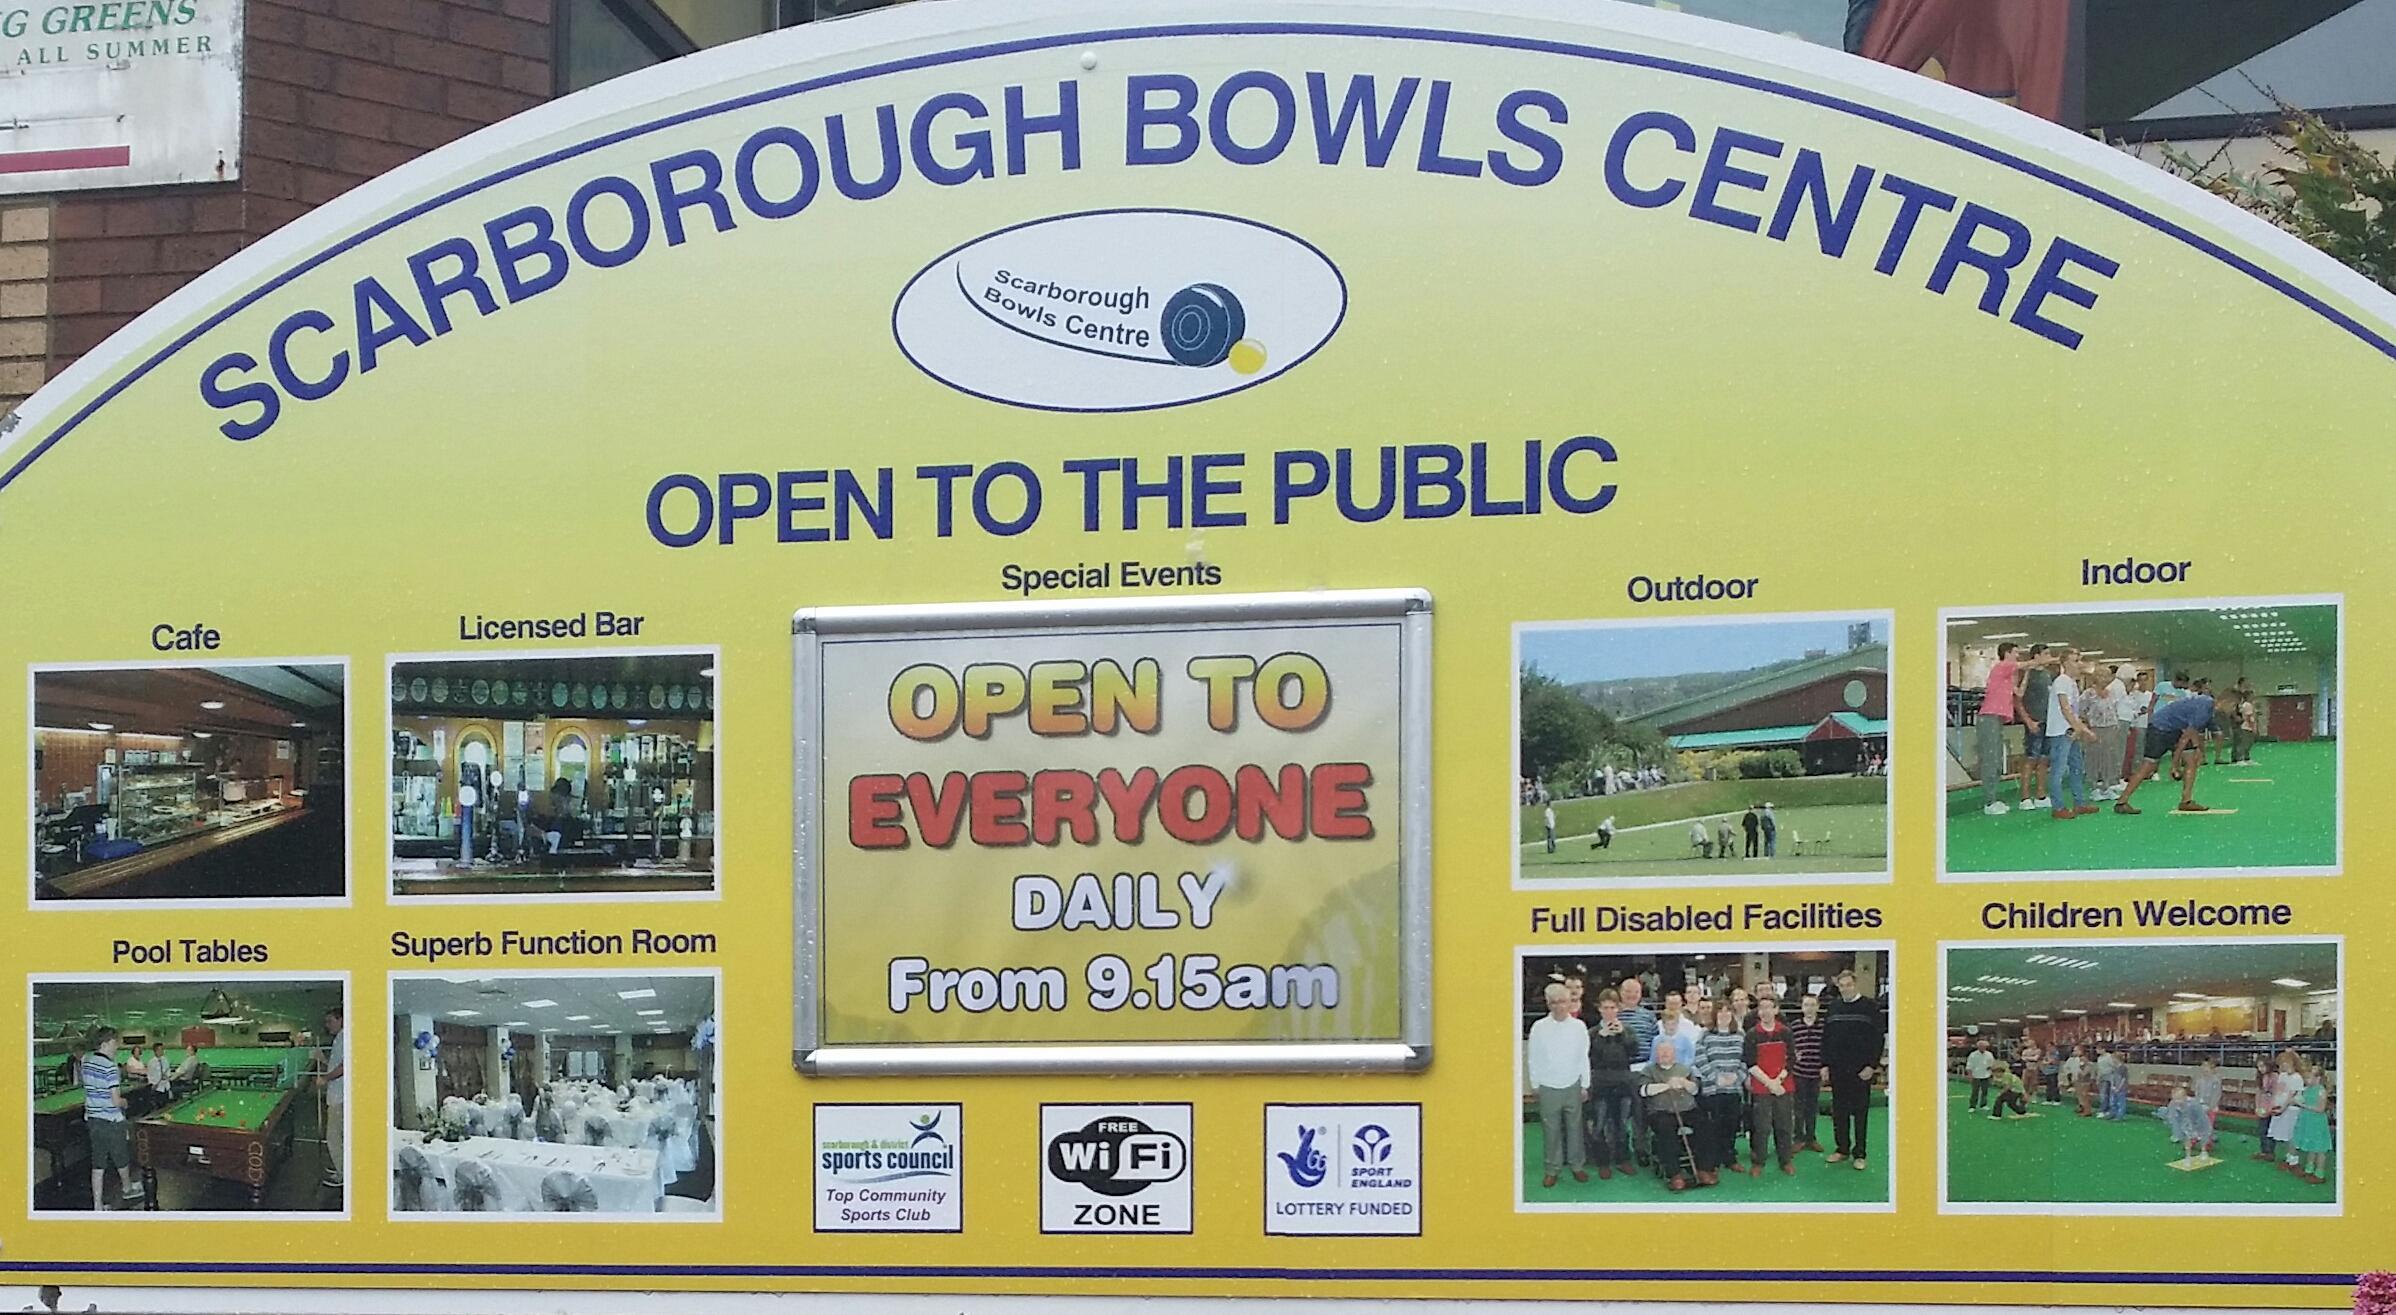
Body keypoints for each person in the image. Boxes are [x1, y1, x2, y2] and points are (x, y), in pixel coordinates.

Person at [2118, 676, 2215, 814]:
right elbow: (2184, 739)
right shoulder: (2205, 708)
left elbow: (2190, 731)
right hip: (2159, 728)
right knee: (2148, 766)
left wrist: (2196, 748)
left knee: (2191, 761)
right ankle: (2122, 801)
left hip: (2174, 727)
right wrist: (2174, 765)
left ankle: (2186, 800)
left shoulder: (2205, 703)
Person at [1526, 983, 1590, 1188]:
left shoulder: (1579, 1027)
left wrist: (1585, 1084)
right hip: (1547, 1085)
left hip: (1573, 1083)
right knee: (1550, 1130)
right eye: (1553, 1002)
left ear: (1569, 1002)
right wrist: (1535, 1084)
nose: (1558, 1006)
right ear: (1548, 1004)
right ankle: (1552, 1169)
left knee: (1575, 1129)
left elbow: (1583, 1057)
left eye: (1562, 1001)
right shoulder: (1539, 1027)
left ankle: (1577, 1166)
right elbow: (1533, 1058)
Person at [1822, 968, 1883, 1171]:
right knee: (1839, 1112)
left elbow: (1877, 1038)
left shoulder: (1870, 1007)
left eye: (1849, 985)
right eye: (1842, 985)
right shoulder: (1833, 1007)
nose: (1845, 988)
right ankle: (1842, 1149)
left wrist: (1871, 1066)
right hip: (1838, 1070)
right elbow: (1827, 1038)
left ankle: (1860, 1154)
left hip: (1861, 1070)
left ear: (1855, 984)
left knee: (1860, 1113)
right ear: (1838, 987)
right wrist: (1825, 1064)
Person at [1638, 1036, 1711, 1191]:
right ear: (1656, 1054)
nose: (1664, 1054)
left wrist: (1684, 1082)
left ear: (1674, 1054)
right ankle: (1674, 1173)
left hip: (1687, 1109)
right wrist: (1666, 1085)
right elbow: (1644, 1091)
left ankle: (1704, 1168)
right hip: (1661, 1111)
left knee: (1704, 1125)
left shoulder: (1684, 1069)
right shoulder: (1649, 1070)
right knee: (1666, 1129)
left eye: (1668, 1051)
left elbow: (1695, 1089)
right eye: (1661, 1052)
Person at [1585, 992, 1641, 1180]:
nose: (1609, 1012)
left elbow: (1635, 1052)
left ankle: (1623, 1160)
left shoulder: (1627, 1030)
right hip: (1601, 1084)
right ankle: (1603, 1162)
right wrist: (1602, 1036)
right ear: (1599, 1009)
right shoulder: (1592, 1033)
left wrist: (1623, 1034)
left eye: (1612, 1007)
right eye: (1605, 1007)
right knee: (1600, 1124)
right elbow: (1589, 1058)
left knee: (1621, 1125)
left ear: (1618, 1009)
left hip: (1623, 1084)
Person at [82, 1028, 138, 1209]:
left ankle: (97, 1205)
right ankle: (128, 1189)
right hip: (111, 1121)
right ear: (105, 1044)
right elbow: (115, 1100)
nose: (117, 1047)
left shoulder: (87, 1061)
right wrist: (125, 1102)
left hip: (93, 1120)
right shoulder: (110, 1066)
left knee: (98, 1163)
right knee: (121, 1157)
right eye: (115, 1043)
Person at [1744, 994, 1797, 1175]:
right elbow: (1750, 1063)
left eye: (1769, 1007)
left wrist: (1778, 1081)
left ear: (1776, 1010)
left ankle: (1785, 1161)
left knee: (1784, 1125)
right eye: (1762, 1008)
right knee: (1762, 1126)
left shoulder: (1785, 1032)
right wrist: (1769, 1083)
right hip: (1761, 1088)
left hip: (1784, 1087)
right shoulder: (1752, 1034)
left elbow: (1791, 1059)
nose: (1765, 1011)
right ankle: (1759, 1162)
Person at [2045, 649, 2099, 820]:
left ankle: (2079, 803)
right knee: (2058, 770)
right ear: (2065, 663)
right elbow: (2065, 708)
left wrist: (2080, 729)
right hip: (2061, 732)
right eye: (2075, 660)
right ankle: (2058, 807)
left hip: (2071, 731)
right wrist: (2082, 729)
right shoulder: (2061, 682)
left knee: (2077, 768)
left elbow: (2073, 712)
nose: (2079, 664)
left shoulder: (2072, 683)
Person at [1694, 1000, 1746, 1176]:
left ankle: (1730, 1158)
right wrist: (1716, 1078)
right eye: (1720, 1012)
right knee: (1714, 1126)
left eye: (1727, 1011)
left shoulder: (1740, 1035)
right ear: (1715, 1014)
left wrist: (1737, 1077)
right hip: (1712, 1089)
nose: (1724, 1015)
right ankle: (1713, 1161)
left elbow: (1746, 1060)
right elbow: (1700, 1059)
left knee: (1731, 1125)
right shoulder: (1705, 1035)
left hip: (1734, 1089)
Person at [1614, 976, 1660, 1166]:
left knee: (1641, 1114)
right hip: (1620, 1071)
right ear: (1620, 993)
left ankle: (1641, 1149)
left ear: (1640, 994)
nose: (1632, 995)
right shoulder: (1614, 1016)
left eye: (1636, 992)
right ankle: (1620, 1152)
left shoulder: (1648, 1016)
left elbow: (1656, 1043)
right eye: (1628, 991)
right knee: (1620, 1114)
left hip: (1643, 1070)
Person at [1975, 641, 2022, 814]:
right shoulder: (2001, 667)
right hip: (1989, 718)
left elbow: (2020, 693)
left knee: (1996, 760)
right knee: (1990, 759)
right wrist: (2051, 659)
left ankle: (1993, 798)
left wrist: (2029, 673)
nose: (2018, 655)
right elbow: (2026, 663)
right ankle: (1989, 802)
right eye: (2015, 652)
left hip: (1997, 720)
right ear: (2007, 653)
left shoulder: (2008, 676)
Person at [2017, 645, 2054, 810]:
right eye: (2046, 654)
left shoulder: (2048, 675)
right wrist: (2028, 721)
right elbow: (2017, 700)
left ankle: (2040, 794)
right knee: (2031, 758)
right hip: (2034, 721)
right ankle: (2024, 798)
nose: (2049, 656)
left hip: (2048, 722)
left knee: (2044, 759)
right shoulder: (2027, 674)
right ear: (2036, 656)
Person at [1789, 991, 1827, 1152]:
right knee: (1798, 1107)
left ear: (1818, 1007)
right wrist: (1793, 1055)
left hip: (1815, 1073)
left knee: (1812, 1107)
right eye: (1806, 1005)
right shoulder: (1795, 1026)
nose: (1809, 1008)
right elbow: (1789, 1047)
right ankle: (1798, 1138)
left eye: (1812, 1005)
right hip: (1799, 1073)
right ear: (1802, 1008)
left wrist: (1825, 1067)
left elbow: (1827, 1048)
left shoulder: (1824, 1026)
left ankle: (1811, 1138)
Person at [317, 1006, 347, 1191]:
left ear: (341, 1019)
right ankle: (341, 1168)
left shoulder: (345, 1037)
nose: (327, 1025)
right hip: (337, 1095)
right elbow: (336, 1065)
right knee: (339, 1136)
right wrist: (322, 1059)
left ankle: (343, 1174)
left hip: (340, 1097)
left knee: (333, 1137)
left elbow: (346, 1066)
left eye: (330, 1021)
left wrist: (324, 1078)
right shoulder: (340, 1038)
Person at [2086, 663, 2127, 799]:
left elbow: (2113, 710)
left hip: (2110, 728)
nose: (2106, 679)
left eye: (2108, 676)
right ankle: (2094, 788)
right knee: (2095, 758)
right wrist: (2086, 728)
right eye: (2103, 676)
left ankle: (2107, 786)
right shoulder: (2089, 693)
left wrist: (2116, 725)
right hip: (2095, 729)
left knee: (2109, 758)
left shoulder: (2111, 693)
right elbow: (2081, 710)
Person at [2290, 1059, 2332, 1185]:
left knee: (2320, 1148)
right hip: (2307, 1120)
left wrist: (2302, 1105)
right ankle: (2309, 1169)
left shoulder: (2321, 1091)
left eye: (2309, 1077)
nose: (2306, 1080)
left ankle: (2319, 1173)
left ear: (2317, 1078)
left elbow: (2320, 1109)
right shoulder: (2307, 1089)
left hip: (2317, 1121)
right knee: (2311, 1146)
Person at [2156, 1083, 2212, 1158]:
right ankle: (2188, 1155)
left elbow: (2200, 1117)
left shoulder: (2193, 1104)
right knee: (2187, 1138)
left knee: (2202, 1137)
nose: (2177, 1101)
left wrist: (2197, 1127)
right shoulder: (2173, 1103)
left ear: (2185, 1097)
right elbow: (2172, 1115)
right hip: (2185, 1123)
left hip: (2198, 1122)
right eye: (2175, 1099)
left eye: (2179, 1099)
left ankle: (2203, 1150)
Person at [2193, 1056, 2224, 1151]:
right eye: (2203, 1066)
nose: (2205, 1069)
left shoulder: (2216, 1080)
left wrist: (2211, 1106)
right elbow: (2197, 1092)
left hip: (2211, 1107)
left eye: (2207, 1067)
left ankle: (2207, 1142)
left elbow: (2217, 1094)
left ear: (2212, 1068)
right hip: (2200, 1106)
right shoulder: (2199, 1080)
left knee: (2208, 1125)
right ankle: (2193, 1140)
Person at [1965, 1038, 1996, 1110]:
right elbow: (1969, 1066)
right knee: (1975, 1091)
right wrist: (1970, 1076)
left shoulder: (1989, 1054)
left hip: (1986, 1075)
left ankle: (1983, 1105)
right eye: (1981, 1046)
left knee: (1985, 1091)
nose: (1983, 1048)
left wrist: (1992, 1072)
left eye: (1984, 1046)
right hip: (1976, 1075)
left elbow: (1992, 1064)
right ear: (1978, 1047)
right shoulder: (1973, 1055)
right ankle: (1972, 1106)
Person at [2061, 1045, 2090, 1116]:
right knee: (2079, 1095)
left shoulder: (2083, 1059)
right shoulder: (2074, 1059)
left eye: (2076, 1050)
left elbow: (2086, 1070)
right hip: (2076, 1079)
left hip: (2083, 1080)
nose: (2074, 1052)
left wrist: (2081, 1075)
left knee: (2084, 1096)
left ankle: (2087, 1111)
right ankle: (2081, 1107)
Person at [2234, 690, 2259, 766]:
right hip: (2246, 727)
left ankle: (2246, 758)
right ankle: (2240, 759)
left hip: (2247, 727)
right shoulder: (2247, 705)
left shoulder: (2246, 704)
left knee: (2248, 743)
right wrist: (2253, 727)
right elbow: (2249, 717)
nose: (2253, 697)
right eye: (2252, 695)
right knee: (2244, 743)